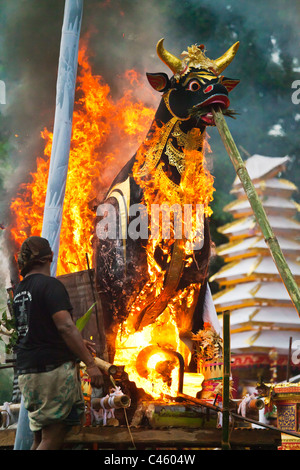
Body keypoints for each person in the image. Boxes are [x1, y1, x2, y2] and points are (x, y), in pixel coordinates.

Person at [13, 236, 103, 450]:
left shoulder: (20, 291)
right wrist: (90, 364)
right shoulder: (50, 285)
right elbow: (65, 326)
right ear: (49, 257)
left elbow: (40, 329)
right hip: (50, 374)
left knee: (39, 439)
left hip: (28, 373)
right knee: (52, 437)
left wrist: (77, 342)